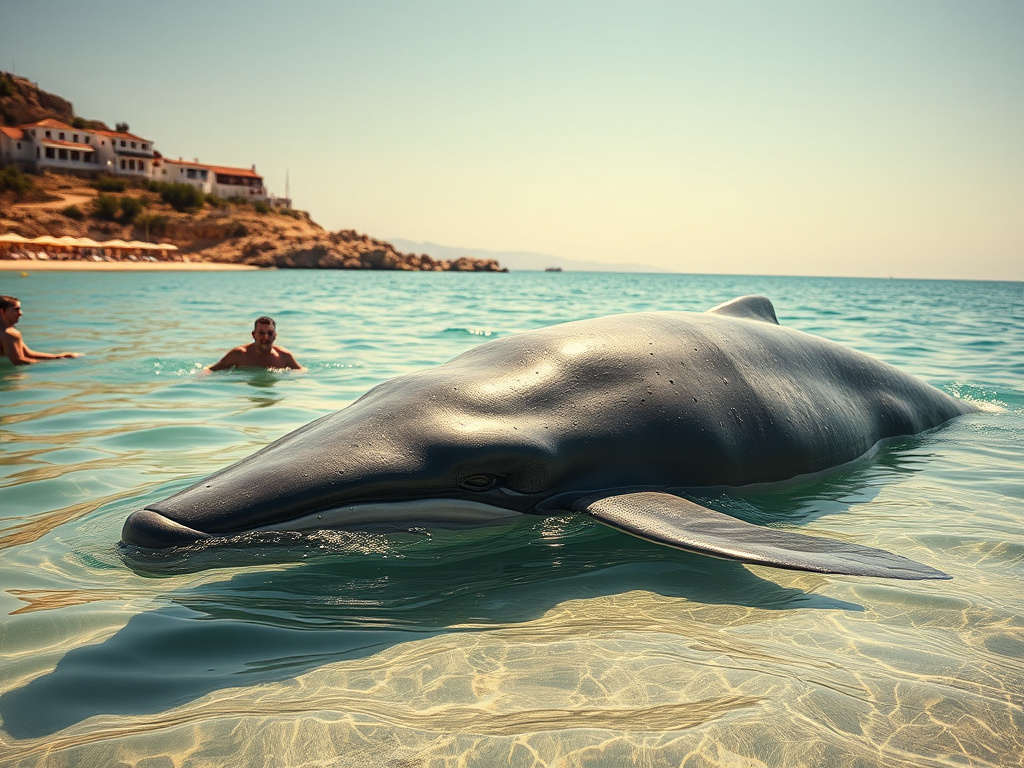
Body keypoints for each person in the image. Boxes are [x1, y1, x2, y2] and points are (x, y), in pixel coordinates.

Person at [0, 295, 81, 365]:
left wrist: (59, 356)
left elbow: (28, 353)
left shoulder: (6, 331)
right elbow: (19, 361)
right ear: (1, 311)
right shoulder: (9, 333)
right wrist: (57, 364)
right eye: (16, 309)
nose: (21, 313)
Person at [205, 316, 304, 372]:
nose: (266, 337)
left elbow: (302, 371)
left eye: (270, 333)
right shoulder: (239, 354)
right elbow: (210, 370)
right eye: (261, 333)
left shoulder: (283, 356)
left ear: (275, 336)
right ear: (253, 335)